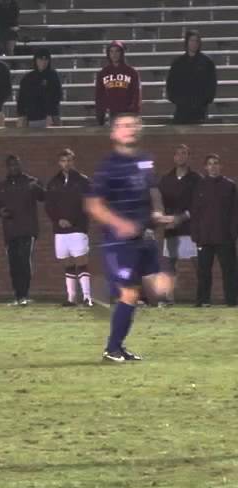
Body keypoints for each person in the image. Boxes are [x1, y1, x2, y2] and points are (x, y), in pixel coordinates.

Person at [84, 113, 175, 363]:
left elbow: (152, 190)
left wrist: (157, 213)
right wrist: (121, 224)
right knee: (128, 293)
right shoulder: (109, 166)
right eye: (123, 126)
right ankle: (111, 349)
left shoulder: (145, 161)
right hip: (118, 242)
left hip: (143, 238)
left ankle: (117, 347)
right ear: (113, 133)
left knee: (158, 288)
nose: (129, 129)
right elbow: (93, 205)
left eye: (133, 125)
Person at [0, 155, 45, 305]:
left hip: (27, 229)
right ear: (7, 168)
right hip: (10, 230)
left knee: (24, 260)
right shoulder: (1, 186)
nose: (14, 168)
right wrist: (0, 211)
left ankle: (24, 295)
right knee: (13, 263)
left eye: (16, 165)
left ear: (20, 165)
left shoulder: (30, 182)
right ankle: (17, 295)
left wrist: (37, 188)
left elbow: (43, 196)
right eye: (11, 165)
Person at [44, 149, 92, 306]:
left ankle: (87, 297)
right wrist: (58, 220)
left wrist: (72, 219)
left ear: (74, 161)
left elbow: (88, 204)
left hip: (78, 228)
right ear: (59, 163)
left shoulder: (83, 181)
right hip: (60, 230)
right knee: (67, 262)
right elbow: (49, 206)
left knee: (81, 261)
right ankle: (71, 297)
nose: (66, 164)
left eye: (69, 160)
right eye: (63, 161)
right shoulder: (53, 182)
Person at [189, 154, 238, 307]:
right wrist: (195, 234)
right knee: (203, 271)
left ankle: (232, 301)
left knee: (229, 271)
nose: (213, 166)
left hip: (225, 237)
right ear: (205, 167)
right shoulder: (199, 186)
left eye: (216, 163)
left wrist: (233, 233)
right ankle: (203, 301)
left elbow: (235, 212)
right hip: (204, 237)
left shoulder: (230, 186)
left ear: (220, 166)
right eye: (210, 164)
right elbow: (195, 212)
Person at [158, 143, 200, 305]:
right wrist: (166, 220)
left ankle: (202, 298)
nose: (181, 156)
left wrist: (181, 218)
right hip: (171, 231)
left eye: (184, 153)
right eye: (178, 154)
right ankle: (168, 298)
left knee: (199, 265)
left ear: (188, 157)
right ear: (174, 157)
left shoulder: (196, 179)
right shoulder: (166, 179)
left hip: (191, 230)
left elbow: (198, 205)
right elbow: (159, 203)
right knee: (168, 266)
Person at [166, 30, 217, 126]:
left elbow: (212, 85)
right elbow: (170, 84)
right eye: (192, 40)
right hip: (182, 109)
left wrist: (205, 101)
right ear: (187, 42)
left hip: (200, 109)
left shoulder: (207, 62)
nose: (194, 43)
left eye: (196, 41)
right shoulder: (178, 63)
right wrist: (178, 100)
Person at [94, 41, 140, 127]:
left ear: (122, 53)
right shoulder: (103, 73)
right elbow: (99, 95)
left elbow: (136, 93)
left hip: (127, 115)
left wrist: (133, 112)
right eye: (111, 51)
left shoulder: (132, 72)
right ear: (108, 53)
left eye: (117, 51)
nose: (114, 54)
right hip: (111, 114)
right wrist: (100, 115)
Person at [16, 47, 63, 128]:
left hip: (49, 118)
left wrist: (51, 114)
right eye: (40, 59)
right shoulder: (28, 78)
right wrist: (22, 115)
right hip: (32, 118)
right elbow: (21, 98)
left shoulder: (53, 76)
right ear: (36, 60)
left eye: (46, 60)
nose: (43, 62)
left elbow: (56, 97)